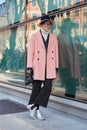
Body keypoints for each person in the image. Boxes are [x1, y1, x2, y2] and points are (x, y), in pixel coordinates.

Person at [26, 14, 59, 120]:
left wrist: (56, 66)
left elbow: (56, 53)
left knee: (47, 88)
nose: (48, 26)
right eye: (45, 24)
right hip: (38, 66)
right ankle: (37, 111)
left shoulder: (53, 37)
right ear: (41, 25)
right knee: (36, 89)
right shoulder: (34, 36)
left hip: (49, 67)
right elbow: (30, 52)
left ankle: (33, 105)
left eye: (49, 24)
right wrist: (29, 67)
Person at [58, 18, 80, 98]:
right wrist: (63, 66)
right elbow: (60, 53)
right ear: (64, 25)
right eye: (67, 24)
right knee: (70, 87)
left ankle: (70, 102)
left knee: (72, 87)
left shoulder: (70, 36)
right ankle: (68, 104)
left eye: (70, 24)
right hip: (67, 67)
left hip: (74, 66)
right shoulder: (60, 37)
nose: (69, 26)